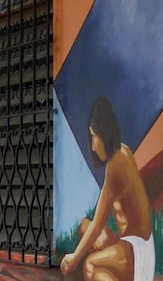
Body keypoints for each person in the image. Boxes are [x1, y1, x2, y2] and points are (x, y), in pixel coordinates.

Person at [61, 97, 153, 280]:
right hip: (130, 246)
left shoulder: (115, 166)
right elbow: (92, 225)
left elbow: (98, 223)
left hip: (137, 251)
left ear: (104, 134)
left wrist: (74, 258)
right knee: (83, 227)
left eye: (93, 137)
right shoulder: (122, 151)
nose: (93, 147)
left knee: (91, 264)